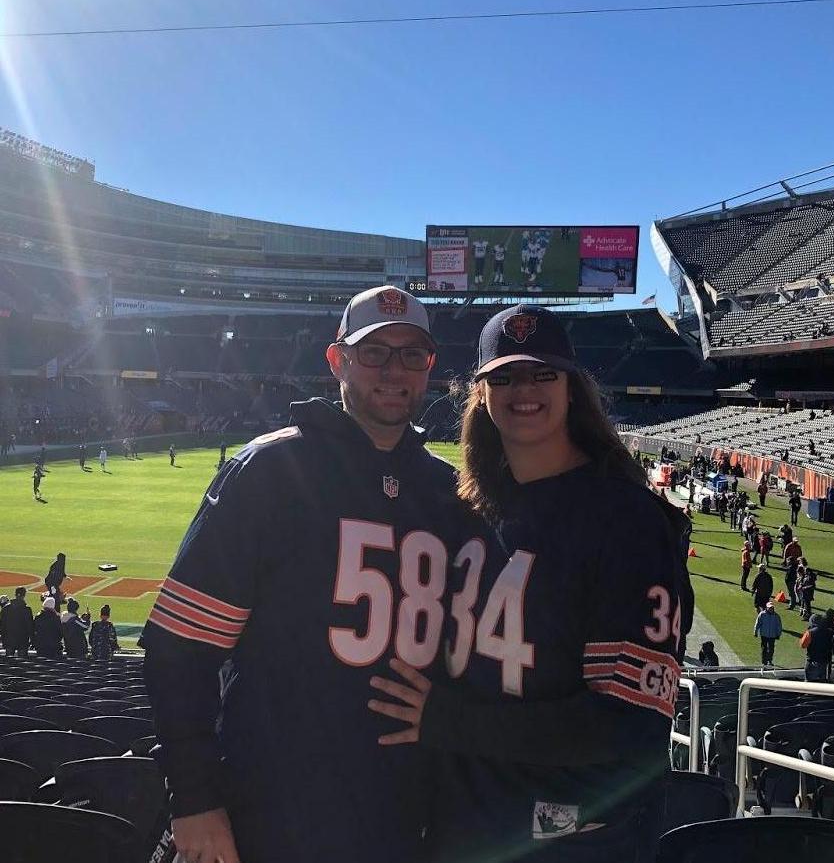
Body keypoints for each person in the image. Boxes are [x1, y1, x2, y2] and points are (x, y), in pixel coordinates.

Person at [140, 286, 474, 863]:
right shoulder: (270, 471)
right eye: (374, 352)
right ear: (337, 360)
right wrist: (194, 800)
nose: (393, 370)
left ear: (430, 368)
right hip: (276, 809)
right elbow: (179, 650)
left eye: (411, 354)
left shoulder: (449, 492)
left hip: (401, 813)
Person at [368, 304, 694, 862]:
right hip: (467, 821)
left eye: (544, 373)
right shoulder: (470, 507)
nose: (526, 389)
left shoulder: (627, 521)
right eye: (505, 376)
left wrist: (450, 721)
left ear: (572, 388)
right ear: (481, 393)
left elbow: (626, 726)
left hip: (571, 837)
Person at [800, 613, 833, 682]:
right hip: (825, 662)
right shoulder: (830, 631)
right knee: (822, 684)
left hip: (812, 661)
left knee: (809, 683)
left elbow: (803, 645)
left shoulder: (810, 632)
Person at [754, 602, 783, 666]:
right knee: (764, 649)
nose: (771, 609)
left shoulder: (776, 616)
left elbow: (779, 626)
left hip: (772, 635)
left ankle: (770, 660)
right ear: (766, 608)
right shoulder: (762, 614)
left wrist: (778, 634)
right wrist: (755, 632)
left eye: (772, 608)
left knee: (771, 649)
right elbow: (758, 623)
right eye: (770, 608)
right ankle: (764, 662)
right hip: (764, 634)